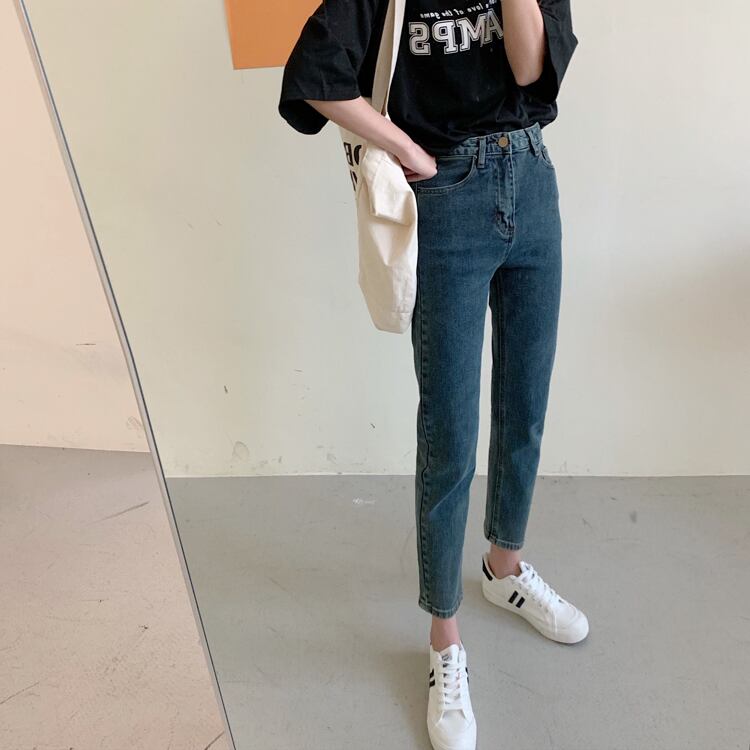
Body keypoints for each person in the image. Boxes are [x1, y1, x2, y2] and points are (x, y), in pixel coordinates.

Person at [278, 1, 585, 748]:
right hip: (446, 196)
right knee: (449, 429)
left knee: (525, 402)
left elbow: (529, 69)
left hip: (531, 178)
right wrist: (404, 147)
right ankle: (445, 636)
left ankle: (504, 566)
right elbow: (314, 75)